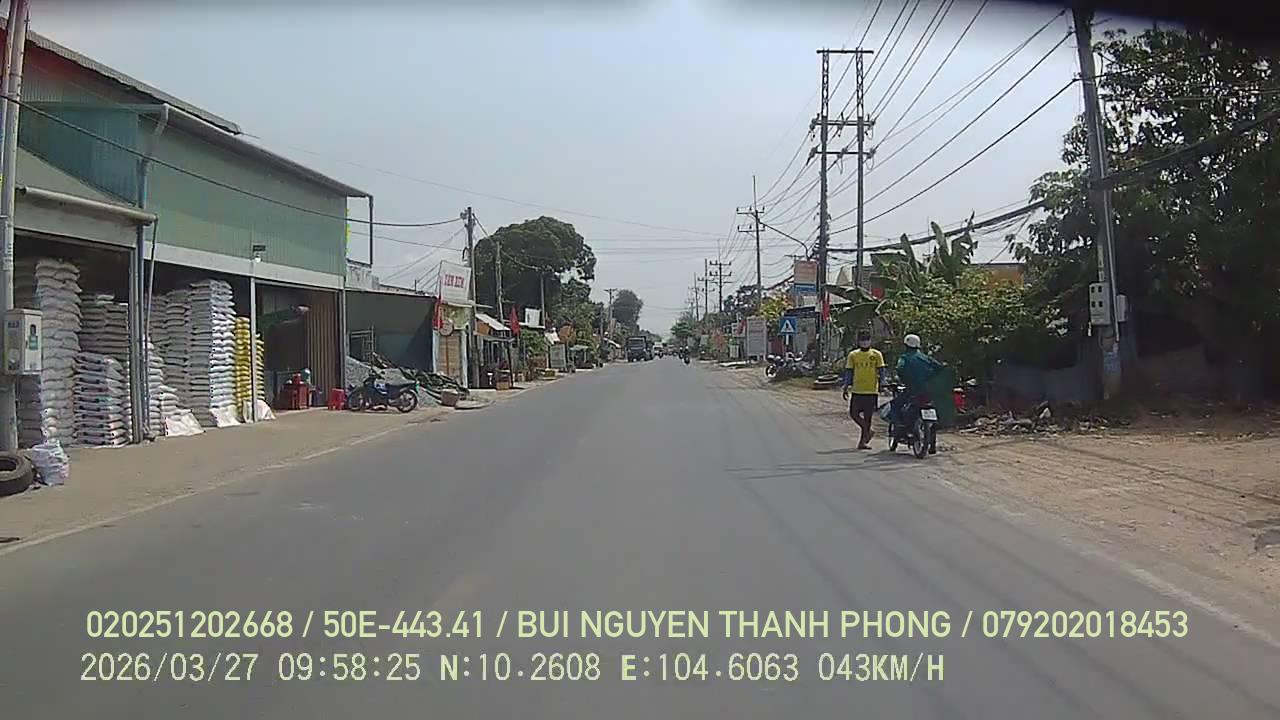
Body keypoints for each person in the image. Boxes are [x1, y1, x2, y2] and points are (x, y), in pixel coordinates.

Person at [891, 333, 944, 453]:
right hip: (928, 391)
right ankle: (932, 445)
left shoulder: (904, 358)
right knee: (934, 413)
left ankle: (899, 427)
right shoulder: (926, 358)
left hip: (912, 390)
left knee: (895, 405)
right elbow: (940, 368)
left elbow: (899, 368)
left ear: (905, 345)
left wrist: (901, 378)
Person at [842, 330, 886, 450]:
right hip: (857, 389)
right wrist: (846, 386)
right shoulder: (853, 355)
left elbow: (881, 370)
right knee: (853, 414)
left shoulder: (876, 354)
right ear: (858, 341)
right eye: (862, 340)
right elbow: (849, 372)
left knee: (868, 417)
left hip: (871, 390)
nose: (865, 342)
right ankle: (868, 430)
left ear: (870, 340)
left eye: (867, 339)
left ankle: (863, 442)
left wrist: (882, 383)